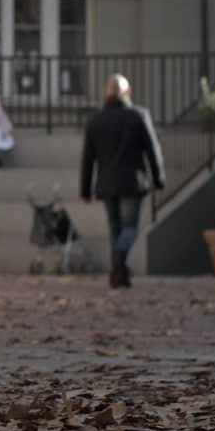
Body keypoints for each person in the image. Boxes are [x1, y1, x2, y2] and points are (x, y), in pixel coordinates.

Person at [79, 74, 164, 289]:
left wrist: (85, 189)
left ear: (106, 94)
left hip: (107, 184)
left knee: (115, 229)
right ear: (128, 92)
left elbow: (88, 158)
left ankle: (118, 273)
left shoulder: (96, 120)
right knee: (130, 228)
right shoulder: (138, 116)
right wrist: (158, 178)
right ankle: (120, 258)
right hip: (132, 183)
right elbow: (152, 150)